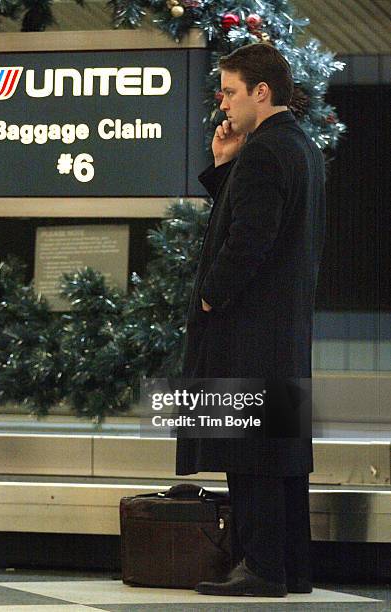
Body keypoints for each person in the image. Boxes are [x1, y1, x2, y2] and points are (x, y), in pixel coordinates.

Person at [175, 43, 326, 597]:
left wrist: (212, 296)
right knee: (279, 450)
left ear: (262, 92)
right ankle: (289, 567)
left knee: (251, 449)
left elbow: (249, 239)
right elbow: (260, 214)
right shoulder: (296, 146)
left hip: (250, 326)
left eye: (231, 91)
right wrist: (224, 167)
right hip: (282, 327)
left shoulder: (266, 151)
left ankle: (260, 568)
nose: (224, 104)